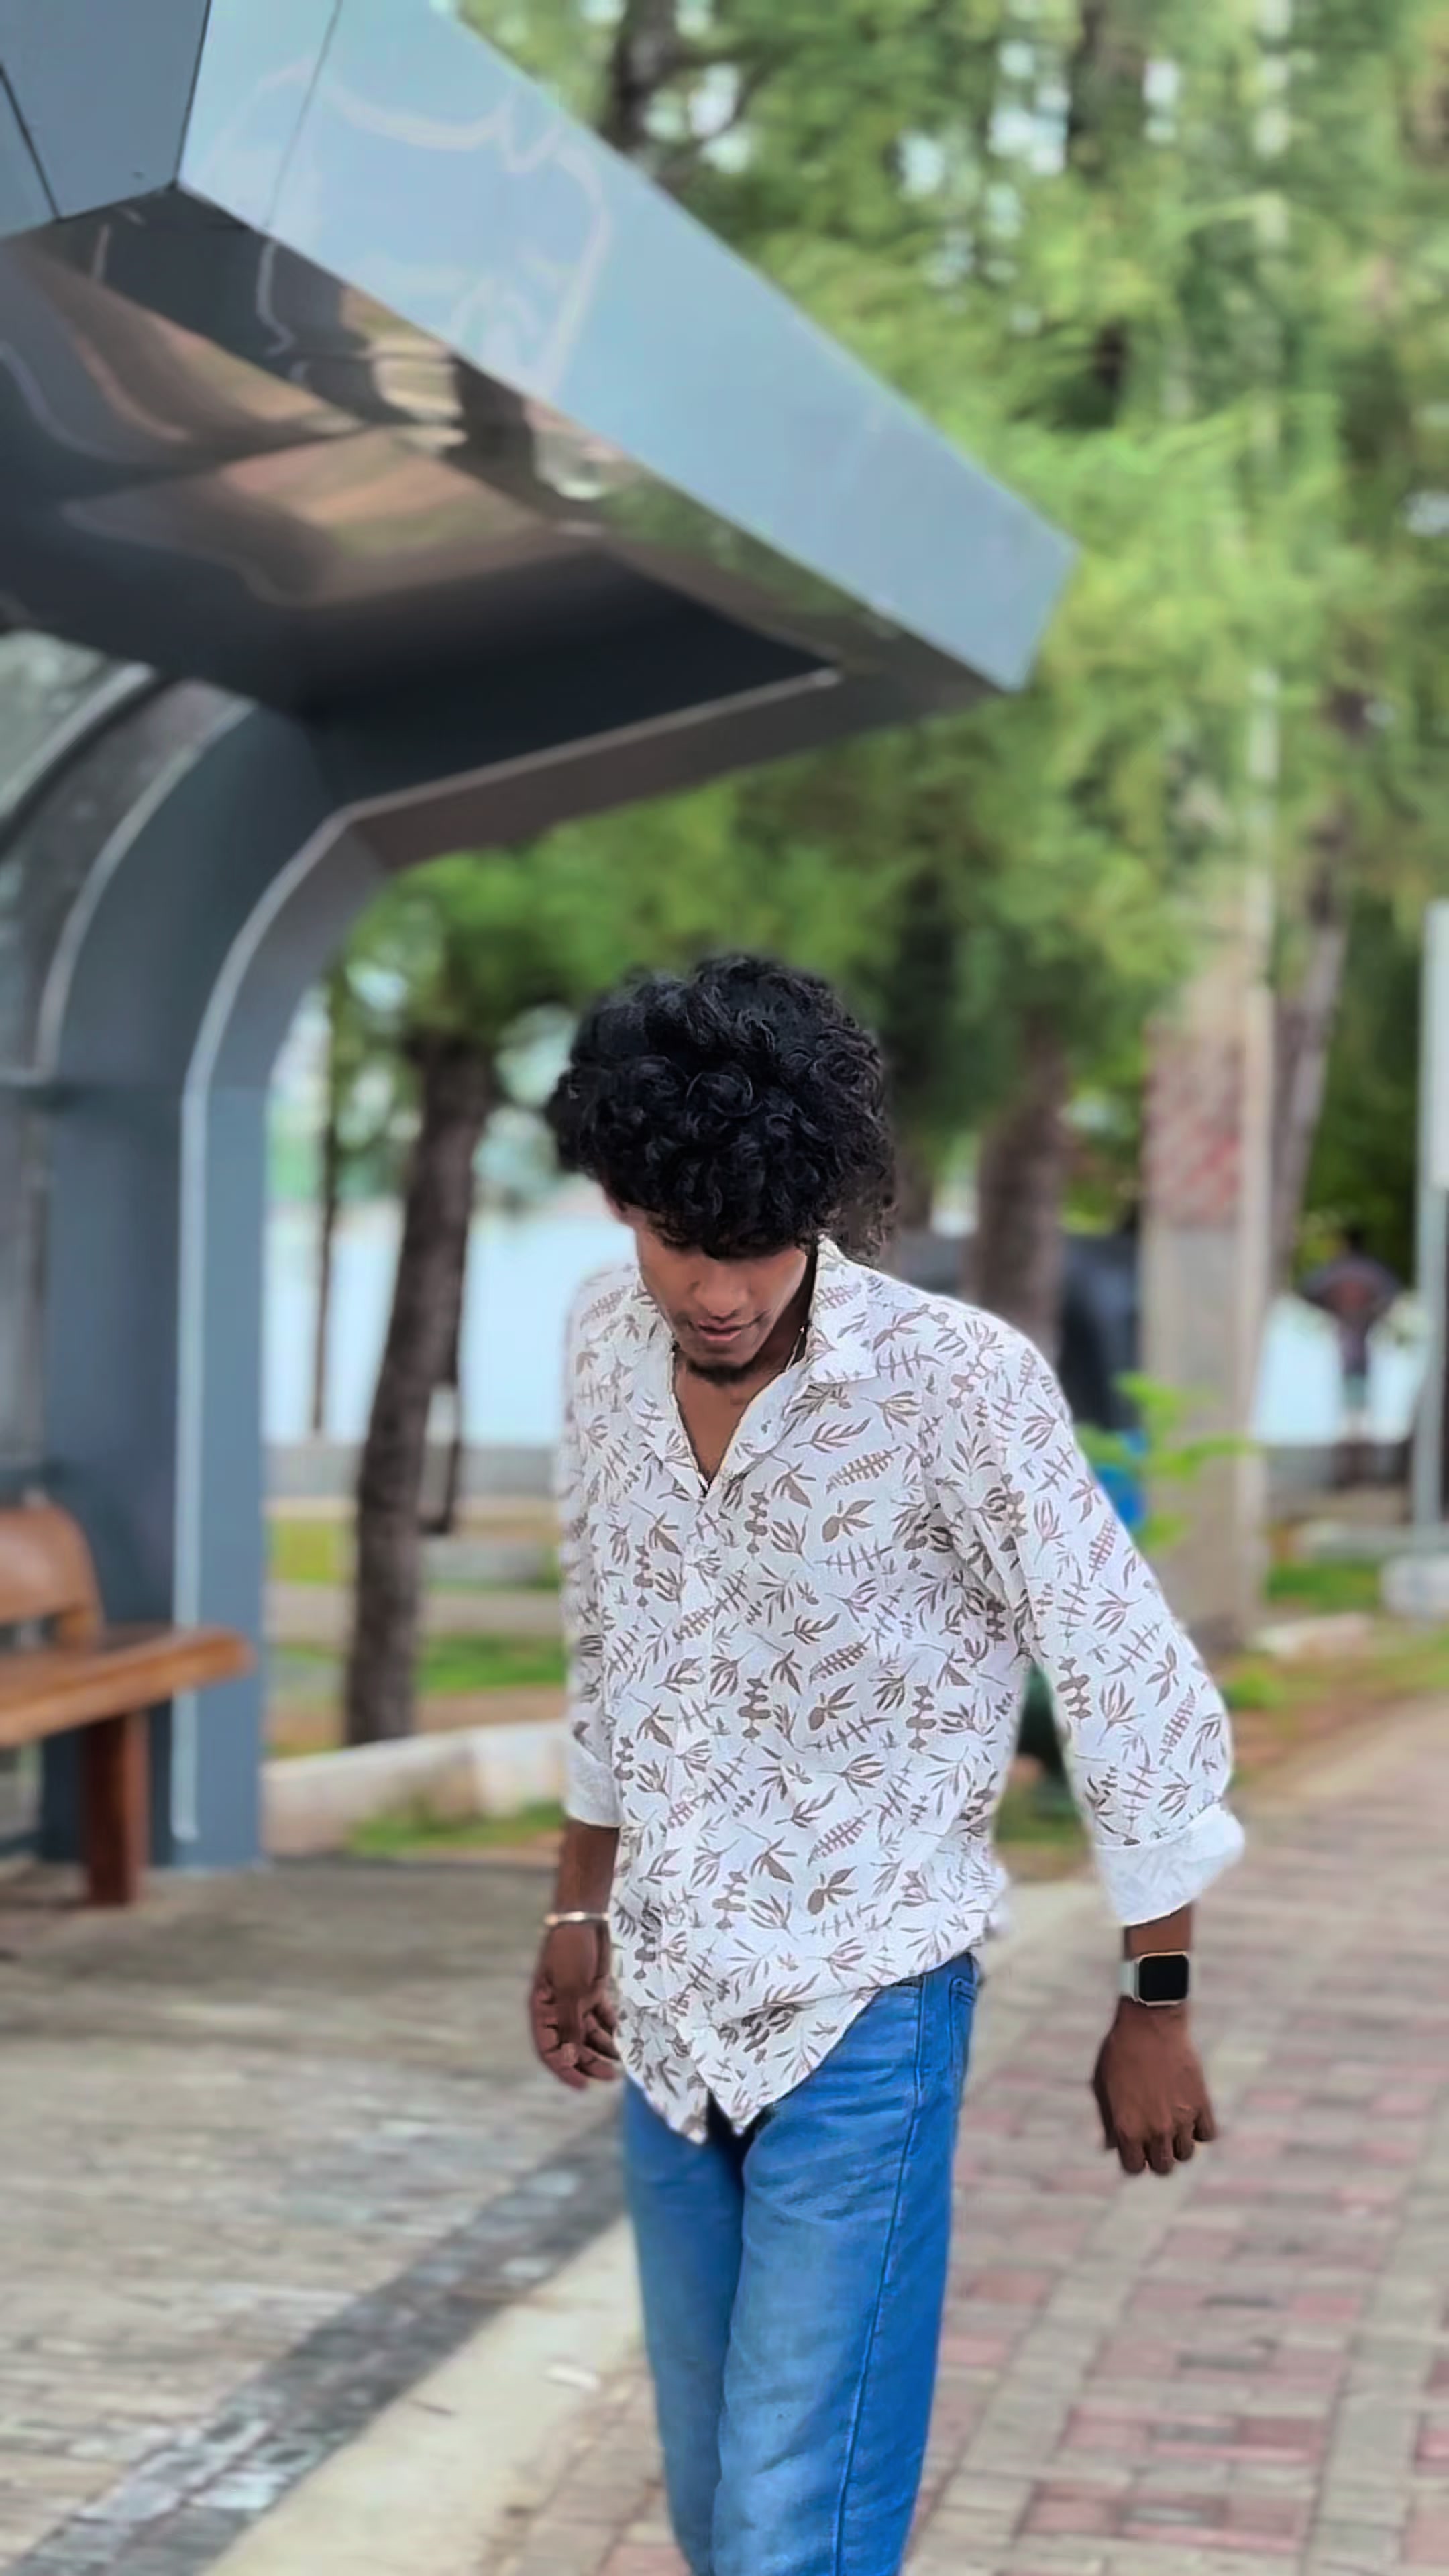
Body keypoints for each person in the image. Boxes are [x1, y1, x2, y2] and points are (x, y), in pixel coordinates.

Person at [529, 955, 1244, 2576]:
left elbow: (1126, 1676)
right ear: (622, 1202)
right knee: (720, 2511)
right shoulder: (597, 1342)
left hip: (865, 2005)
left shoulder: (954, 1384)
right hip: (670, 2008)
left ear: (821, 1208)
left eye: (758, 1241)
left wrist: (1155, 1998)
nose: (718, 1288)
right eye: (678, 1238)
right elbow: (609, 1631)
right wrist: (578, 1909)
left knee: (795, 2524)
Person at [1300, 1224, 1400, 1487]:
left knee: (1350, 1414)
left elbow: (1308, 1290)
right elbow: (1391, 1295)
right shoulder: (1370, 1271)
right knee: (1358, 1414)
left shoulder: (1337, 1271)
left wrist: (1339, 1311)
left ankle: (1351, 1471)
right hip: (1355, 1346)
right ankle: (1356, 1471)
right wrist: (1369, 1313)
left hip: (1349, 1346)